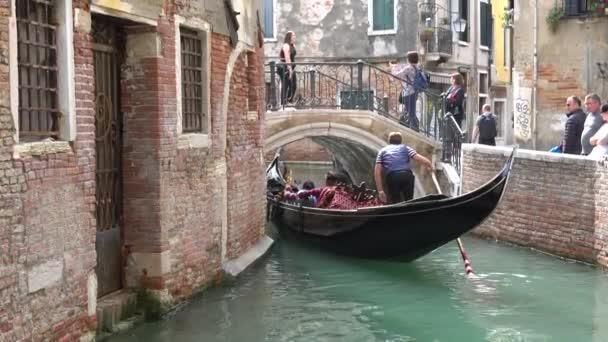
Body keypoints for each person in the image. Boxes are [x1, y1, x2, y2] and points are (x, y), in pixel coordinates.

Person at [374, 132, 433, 204]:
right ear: (401, 141)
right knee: (409, 201)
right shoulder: (406, 148)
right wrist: (429, 166)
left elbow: (377, 172)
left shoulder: (382, 151)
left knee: (396, 202)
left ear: (389, 141)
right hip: (407, 176)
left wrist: (380, 191)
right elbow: (424, 161)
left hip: (393, 177)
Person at [391, 51, 422, 131]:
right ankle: (413, 127)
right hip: (415, 91)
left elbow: (396, 75)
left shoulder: (408, 68)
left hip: (408, 92)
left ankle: (414, 129)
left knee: (410, 112)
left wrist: (393, 67)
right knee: (410, 110)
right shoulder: (418, 67)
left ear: (409, 59)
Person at [278, 31, 297, 105]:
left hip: (291, 67)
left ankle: (289, 100)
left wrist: (292, 68)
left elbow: (292, 57)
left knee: (293, 85)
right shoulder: (286, 46)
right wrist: (289, 69)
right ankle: (284, 102)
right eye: (293, 35)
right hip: (284, 67)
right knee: (285, 85)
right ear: (289, 37)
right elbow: (287, 58)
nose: (295, 37)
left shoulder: (293, 45)